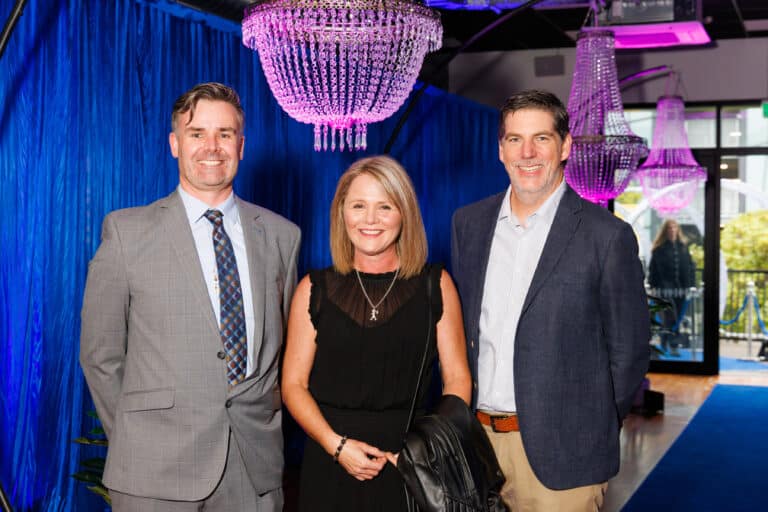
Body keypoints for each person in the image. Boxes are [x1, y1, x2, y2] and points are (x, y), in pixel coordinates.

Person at [80, 82, 301, 511]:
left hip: (252, 471)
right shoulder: (127, 232)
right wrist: (135, 438)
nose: (211, 147)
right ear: (174, 144)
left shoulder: (281, 236)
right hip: (154, 472)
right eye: (196, 133)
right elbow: (99, 356)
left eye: (224, 134)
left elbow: (286, 354)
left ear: (241, 144)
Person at [450, 90, 650, 512]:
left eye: (541, 138)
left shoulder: (606, 236)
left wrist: (588, 423)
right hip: (475, 449)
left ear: (564, 146)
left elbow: (628, 353)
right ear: (500, 149)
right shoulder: (468, 224)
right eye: (514, 139)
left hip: (565, 456)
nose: (527, 153)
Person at [282, 155, 472, 511]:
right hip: (330, 463)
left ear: (405, 214)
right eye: (358, 205)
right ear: (342, 213)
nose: (370, 219)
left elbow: (458, 380)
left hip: (411, 466)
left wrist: (423, 452)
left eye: (385, 206)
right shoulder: (313, 288)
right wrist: (336, 446)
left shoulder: (437, 285)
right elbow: (293, 384)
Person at [648, 219, 697, 352]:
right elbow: (653, 270)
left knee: (678, 317)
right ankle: (672, 344)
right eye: (669, 228)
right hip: (664, 289)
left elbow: (690, 268)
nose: (672, 230)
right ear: (665, 231)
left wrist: (692, 285)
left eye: (674, 227)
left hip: (681, 288)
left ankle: (667, 341)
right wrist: (653, 287)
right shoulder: (659, 249)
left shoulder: (683, 247)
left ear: (677, 230)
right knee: (671, 316)